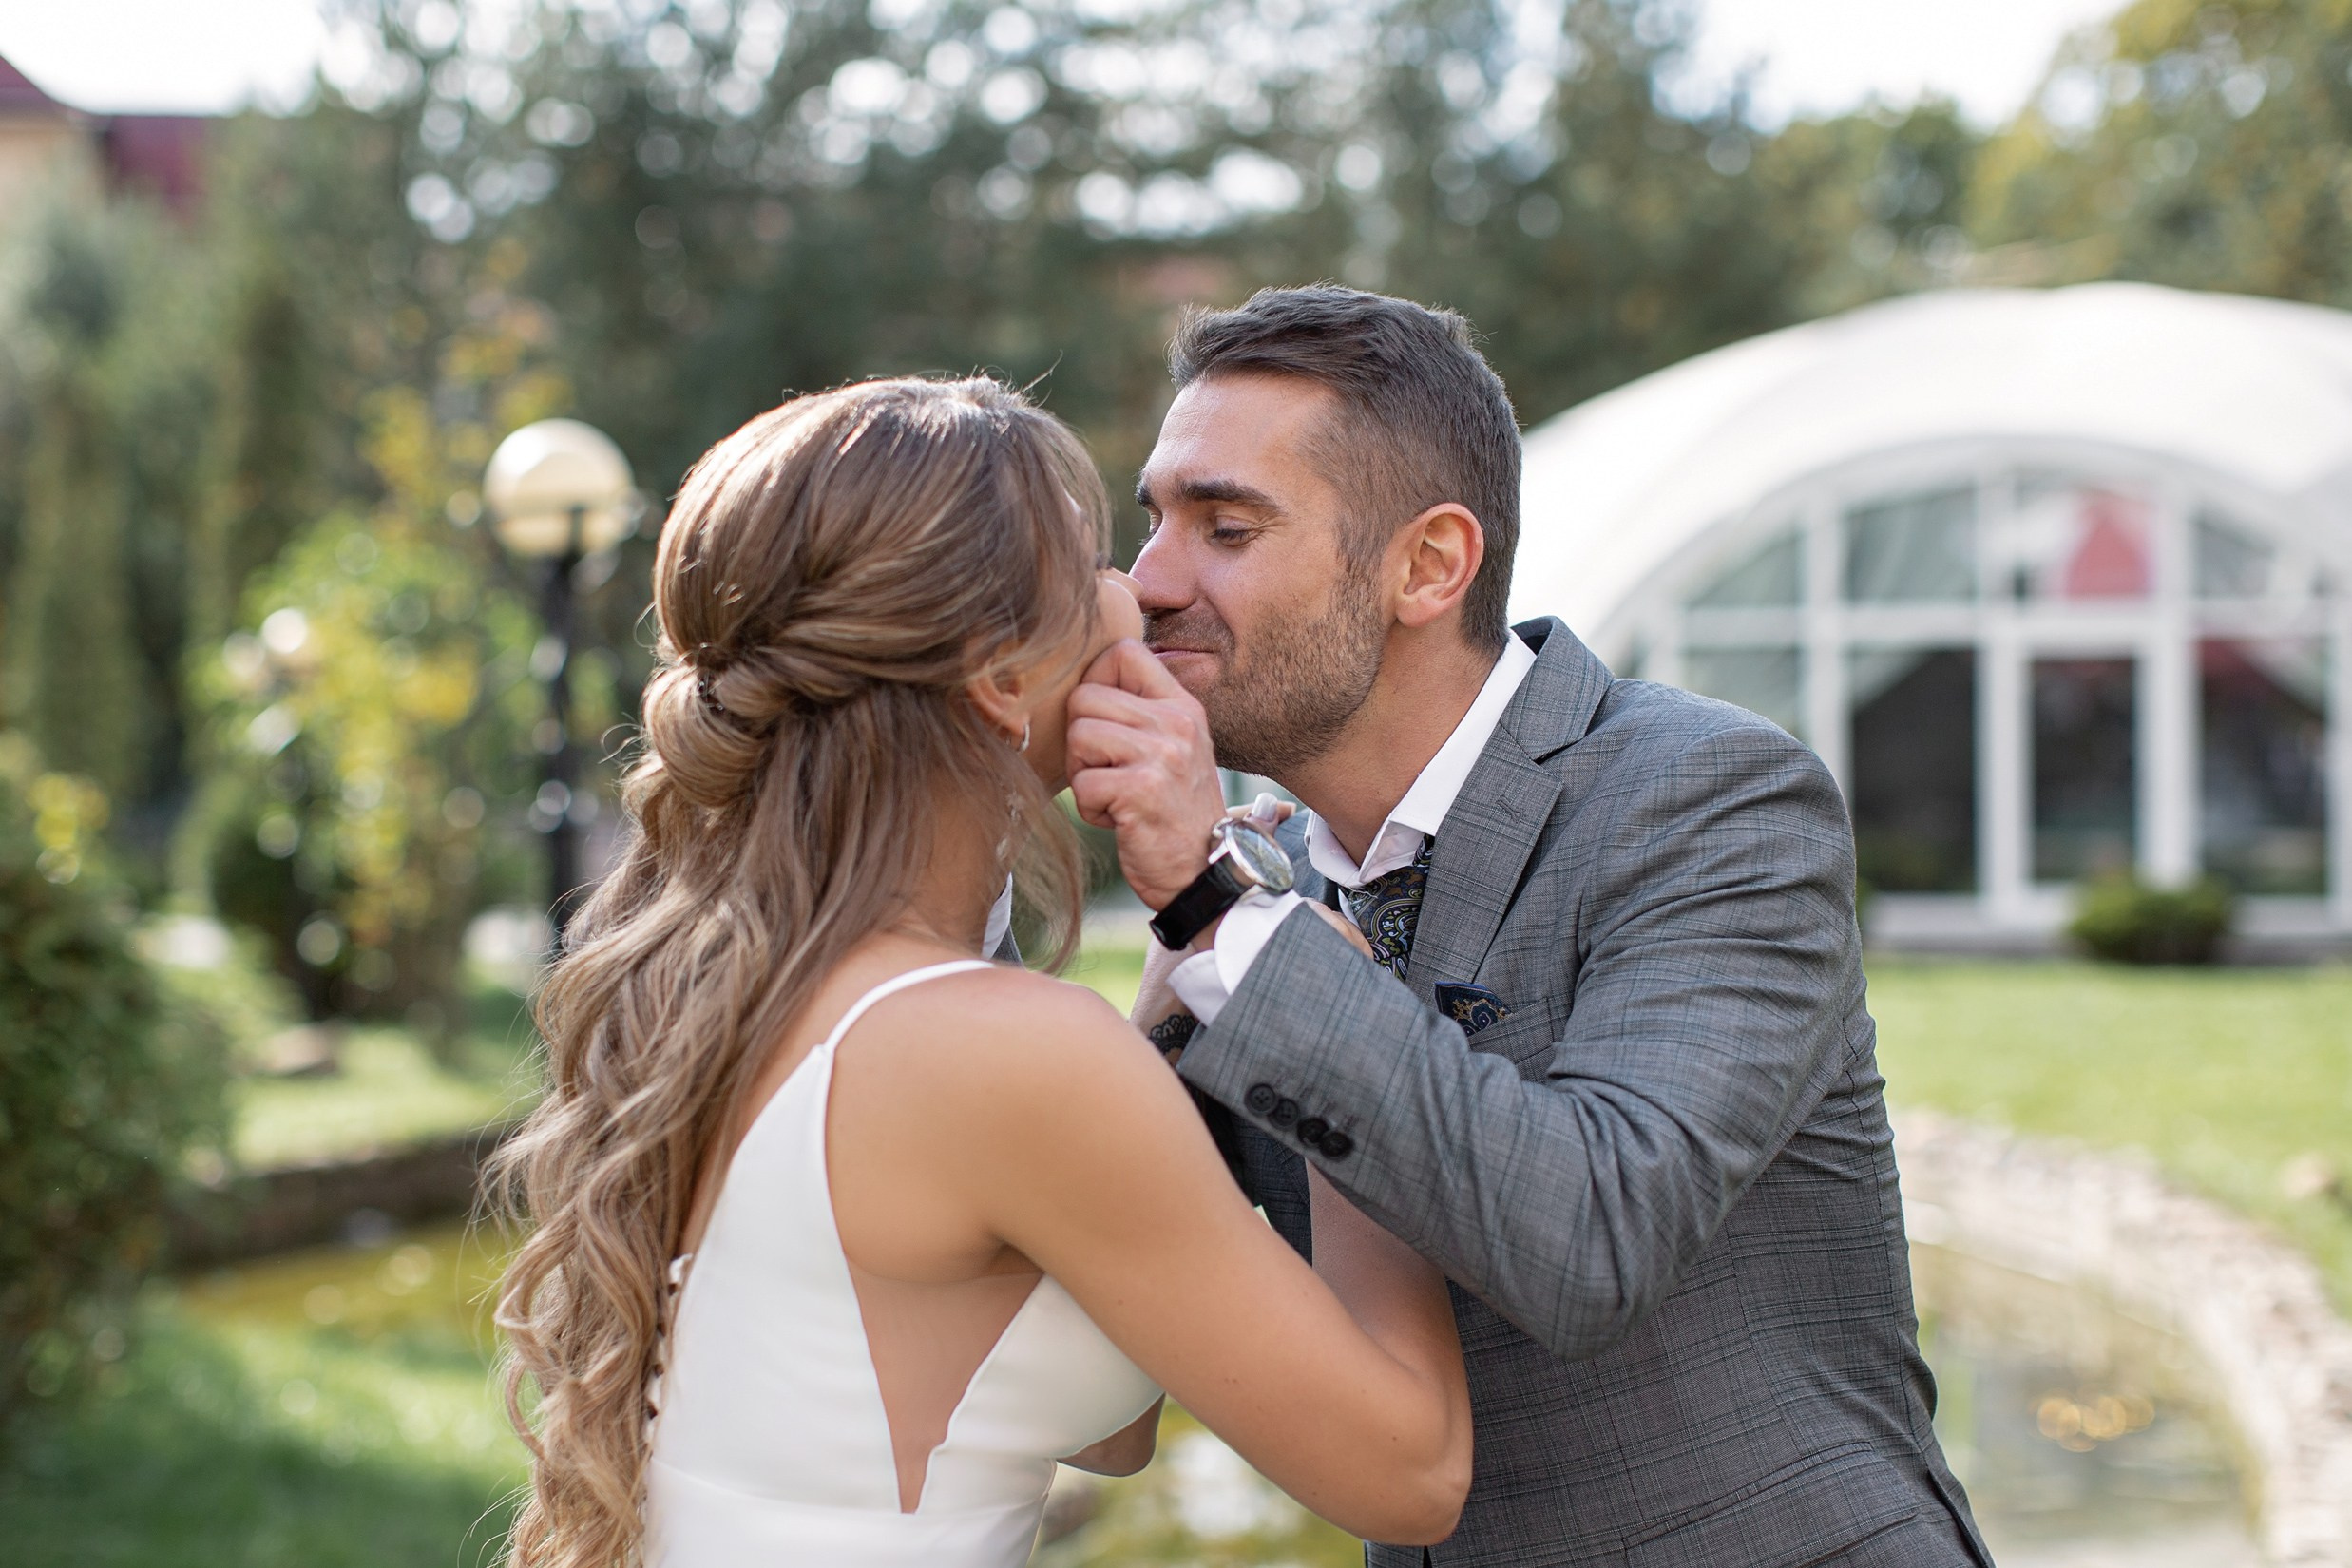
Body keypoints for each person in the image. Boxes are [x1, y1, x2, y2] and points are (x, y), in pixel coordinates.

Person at [1066, 284, 1995, 1568]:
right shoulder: (1254, 890)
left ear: (1427, 565)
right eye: (1151, 521)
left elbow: (1592, 1236)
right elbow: (1110, 1372)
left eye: (1224, 526)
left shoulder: (1705, 797)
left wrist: (1214, 912)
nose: (1148, 581)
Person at [489, 376, 1471, 1568]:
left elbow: (1105, 1426)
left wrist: (1183, 974)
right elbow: (1412, 1473)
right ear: (1002, 677)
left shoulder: (743, 977)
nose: (1143, 592)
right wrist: (1339, 1026)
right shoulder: (999, 1050)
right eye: (1100, 561)